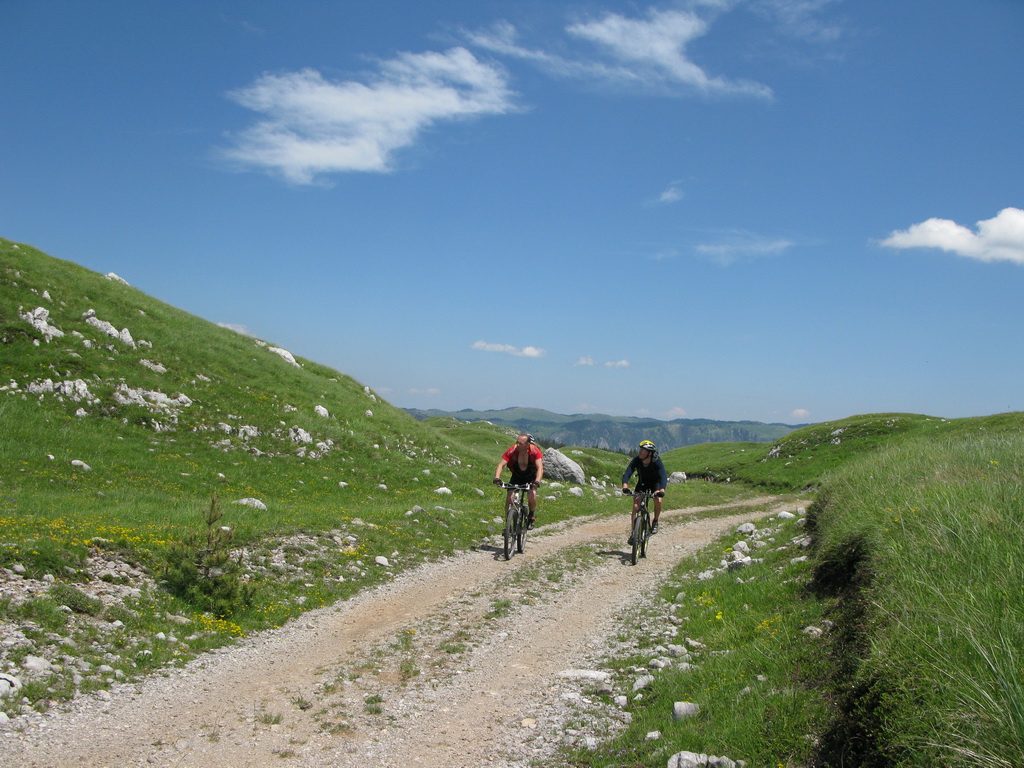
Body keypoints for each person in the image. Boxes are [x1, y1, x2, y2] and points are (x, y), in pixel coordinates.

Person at [493, 433, 544, 528]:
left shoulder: (534, 451)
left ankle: (531, 516)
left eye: (521, 443)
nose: (518, 445)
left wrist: (537, 481)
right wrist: (497, 478)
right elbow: (501, 465)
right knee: (509, 498)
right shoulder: (513, 450)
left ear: (528, 444)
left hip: (530, 477)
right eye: (517, 442)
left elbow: (540, 468)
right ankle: (508, 523)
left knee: (531, 495)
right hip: (517, 475)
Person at [621, 440, 667, 544]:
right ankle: (633, 533)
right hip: (642, 484)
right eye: (640, 449)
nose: (640, 451)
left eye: (643, 450)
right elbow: (628, 472)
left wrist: (662, 490)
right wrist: (625, 486)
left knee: (658, 500)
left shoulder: (656, 461)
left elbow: (663, 476)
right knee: (636, 506)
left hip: (655, 484)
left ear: (649, 453)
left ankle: (655, 521)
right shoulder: (637, 460)